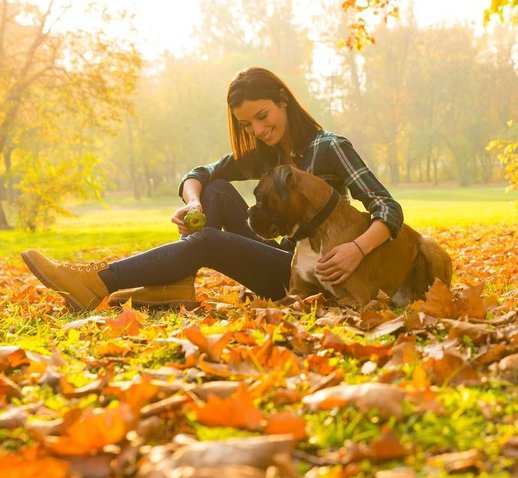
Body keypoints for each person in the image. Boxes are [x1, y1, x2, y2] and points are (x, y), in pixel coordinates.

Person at [21, 67, 403, 311]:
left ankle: (98, 282)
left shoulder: (330, 147)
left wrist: (357, 248)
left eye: (263, 116)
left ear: (283, 101)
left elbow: (387, 207)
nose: (258, 130)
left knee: (208, 243)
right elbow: (198, 173)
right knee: (215, 190)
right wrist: (192, 202)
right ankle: (176, 285)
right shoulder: (264, 154)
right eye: (247, 124)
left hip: (305, 273)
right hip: (275, 254)